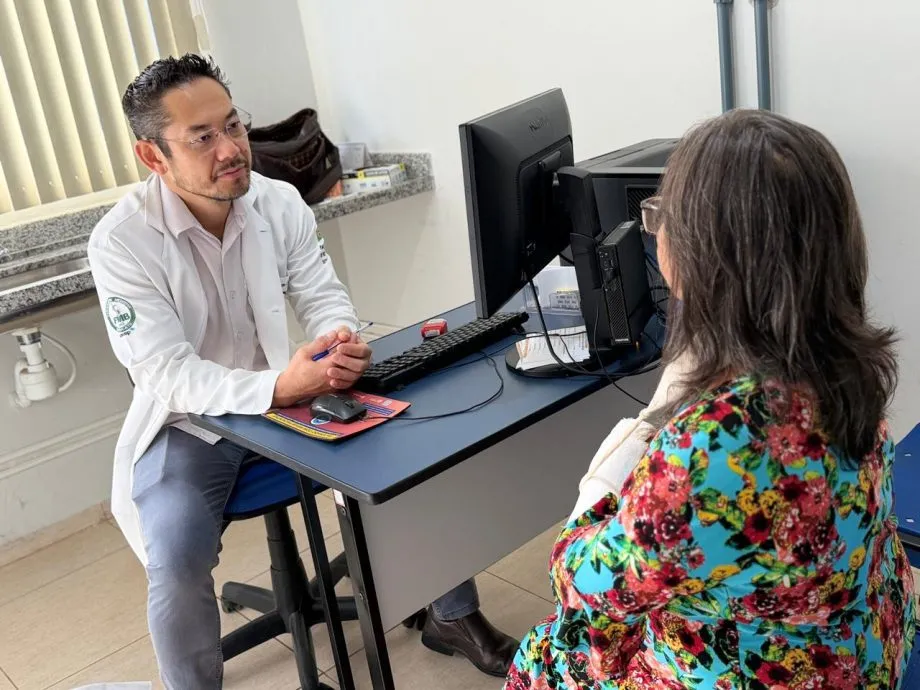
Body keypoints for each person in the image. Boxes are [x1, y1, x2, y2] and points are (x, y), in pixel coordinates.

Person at [88, 54, 517, 689]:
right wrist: (278, 386)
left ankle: (451, 615)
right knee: (175, 552)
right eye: (202, 137)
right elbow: (166, 374)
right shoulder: (122, 243)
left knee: (415, 454)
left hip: (292, 404)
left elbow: (320, 292)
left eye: (233, 125)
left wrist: (337, 342)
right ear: (154, 157)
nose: (231, 148)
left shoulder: (276, 199)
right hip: (191, 425)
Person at [505, 109, 916, 689]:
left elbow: (578, 575)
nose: (656, 231)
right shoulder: (847, 362)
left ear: (710, 252)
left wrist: (610, 469)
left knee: (551, 648)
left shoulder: (711, 444)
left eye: (660, 216)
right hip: (861, 642)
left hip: (764, 672)